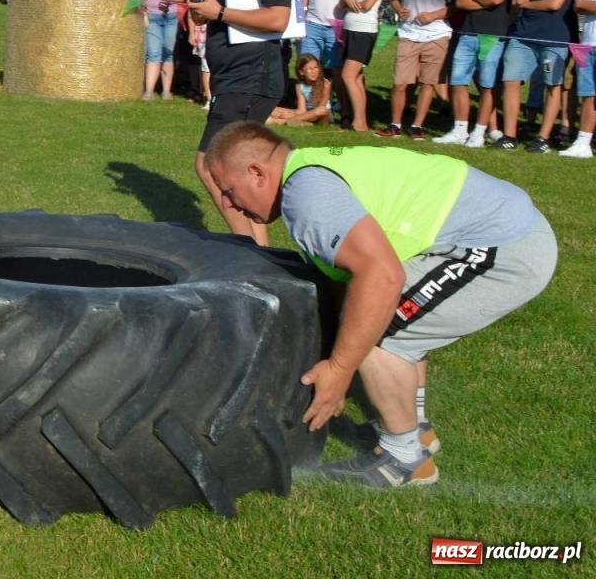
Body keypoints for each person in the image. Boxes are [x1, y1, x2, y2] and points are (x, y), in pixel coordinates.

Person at [204, 122, 558, 487]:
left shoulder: (307, 197)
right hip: (499, 228)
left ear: (258, 173)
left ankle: (404, 461)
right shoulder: (307, 172)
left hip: (505, 244)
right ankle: (416, 433)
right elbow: (350, 279)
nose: (228, 204)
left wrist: (341, 369)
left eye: (229, 191)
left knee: (379, 329)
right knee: (387, 322)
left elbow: (382, 278)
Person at [183, 0, 293, 244]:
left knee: (209, 164)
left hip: (253, 76)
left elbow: (279, 19)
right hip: (230, 77)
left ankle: (247, 249)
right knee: (238, 170)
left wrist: (223, 12)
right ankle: (260, 252)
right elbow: (201, 17)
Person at [497, 0, 578, 152]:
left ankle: (543, 138)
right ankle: (509, 135)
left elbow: (555, 3)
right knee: (511, 81)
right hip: (523, 35)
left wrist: (528, 4)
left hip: (553, 37)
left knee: (552, 85)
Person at [432, 0, 518, 149]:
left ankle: (479, 132)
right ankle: (460, 129)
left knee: (487, 85)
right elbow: (461, 1)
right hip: (467, 33)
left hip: (493, 36)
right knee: (458, 82)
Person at [378, 0, 453, 139]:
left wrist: (434, 15)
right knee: (401, 82)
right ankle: (395, 124)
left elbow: (454, 6)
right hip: (409, 33)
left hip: (437, 35)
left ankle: (417, 126)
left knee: (428, 83)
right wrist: (398, 8)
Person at [339, 0, 391, 132]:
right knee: (358, 77)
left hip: (364, 30)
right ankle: (360, 120)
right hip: (350, 28)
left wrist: (350, 1)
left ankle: (359, 121)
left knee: (348, 75)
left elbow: (368, 5)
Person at [560, 0, 596, 158]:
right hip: (581, 31)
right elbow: (578, 4)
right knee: (579, 85)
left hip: (589, 29)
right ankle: (569, 130)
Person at [141, 0, 191, 100]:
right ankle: (149, 91)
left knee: (168, 53)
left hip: (170, 16)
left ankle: (166, 90)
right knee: (154, 53)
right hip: (153, 15)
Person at [269, 54, 332, 125]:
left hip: (322, 115)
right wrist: (289, 113)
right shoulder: (299, 85)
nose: (314, 71)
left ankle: (283, 121)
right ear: (301, 72)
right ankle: (305, 123)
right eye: (310, 69)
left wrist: (292, 115)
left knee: (322, 110)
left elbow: (321, 108)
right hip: (307, 113)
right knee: (274, 109)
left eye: (316, 68)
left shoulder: (326, 84)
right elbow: (301, 110)